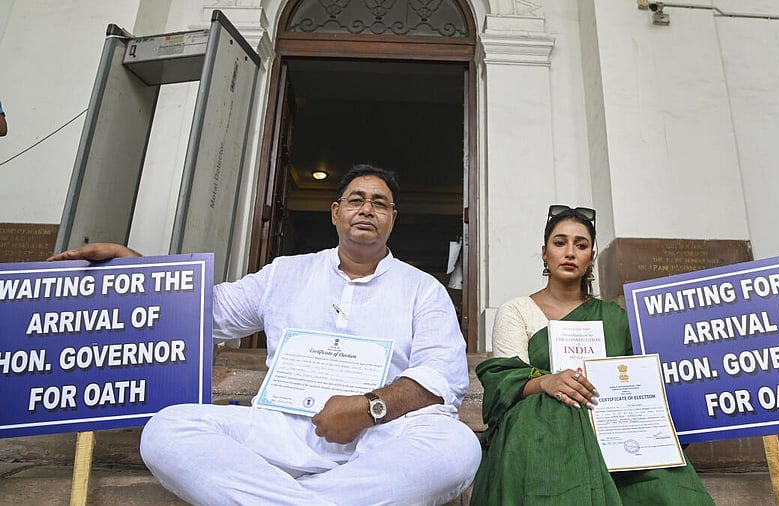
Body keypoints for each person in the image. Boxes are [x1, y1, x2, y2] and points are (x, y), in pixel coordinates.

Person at [49, 164, 481, 505]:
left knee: (456, 446)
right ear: (336, 212)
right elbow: (203, 314)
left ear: (392, 220)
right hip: (281, 431)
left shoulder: (422, 288)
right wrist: (136, 267)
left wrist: (368, 408)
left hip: (379, 440)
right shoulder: (285, 273)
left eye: (380, 204)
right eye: (356, 200)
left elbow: (443, 378)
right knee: (168, 429)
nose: (367, 209)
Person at [469, 204, 713, 505]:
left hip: (610, 420)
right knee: (555, 413)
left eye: (581, 245)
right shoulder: (517, 310)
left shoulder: (614, 317)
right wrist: (548, 383)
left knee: (661, 475)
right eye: (560, 243)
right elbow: (506, 378)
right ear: (545, 253)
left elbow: (633, 376)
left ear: (591, 257)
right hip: (541, 424)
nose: (570, 252)